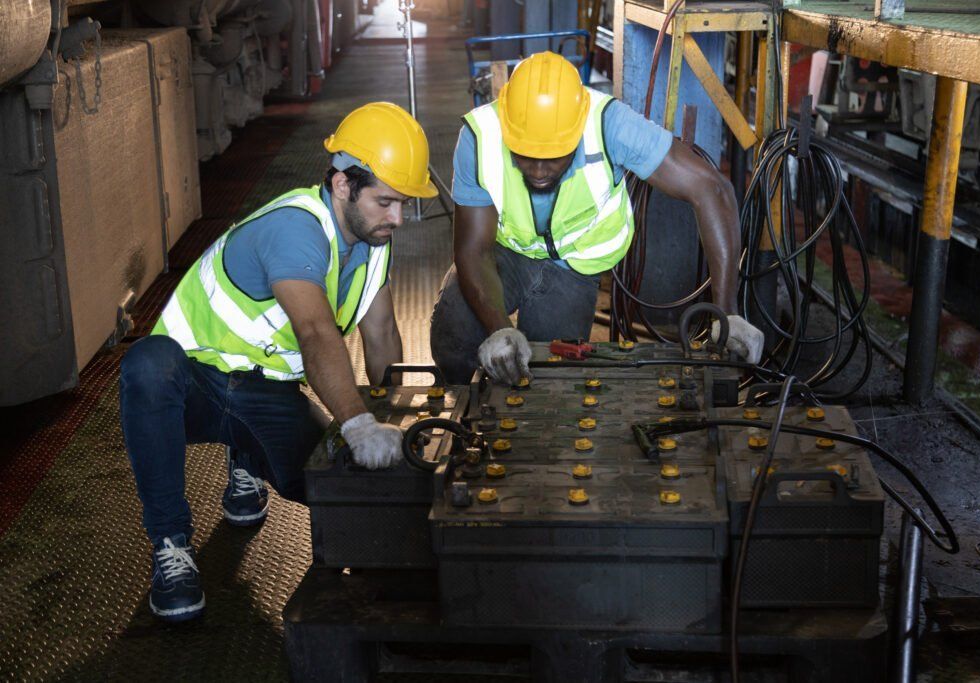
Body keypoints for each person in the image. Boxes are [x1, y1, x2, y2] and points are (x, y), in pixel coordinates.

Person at [119, 102, 437, 622]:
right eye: (386, 202)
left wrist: (392, 424)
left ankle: (246, 457)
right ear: (341, 185)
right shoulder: (294, 229)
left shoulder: (373, 242)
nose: (397, 218)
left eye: (403, 204)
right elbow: (314, 331)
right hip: (194, 384)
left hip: (266, 393)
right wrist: (356, 423)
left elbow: (380, 332)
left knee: (325, 482)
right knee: (147, 366)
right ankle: (171, 545)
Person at [430, 51, 763, 384]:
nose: (540, 170)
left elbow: (712, 190)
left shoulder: (610, 124)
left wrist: (728, 313)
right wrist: (500, 330)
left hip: (575, 266)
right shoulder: (480, 136)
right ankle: (462, 417)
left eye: (555, 156)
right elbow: (473, 250)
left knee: (549, 379)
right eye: (527, 156)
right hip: (507, 254)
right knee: (453, 338)